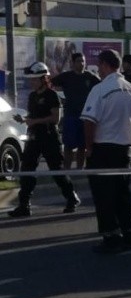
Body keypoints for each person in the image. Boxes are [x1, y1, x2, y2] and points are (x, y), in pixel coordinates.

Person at [81, 50, 131, 254]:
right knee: (123, 193)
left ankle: (111, 236)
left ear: (104, 65)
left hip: (103, 149)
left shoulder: (100, 89)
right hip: (125, 149)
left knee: (104, 196)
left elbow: (89, 121)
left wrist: (89, 147)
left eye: (99, 66)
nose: (98, 70)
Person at [8, 62, 81, 217]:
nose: (31, 82)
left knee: (57, 170)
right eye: (31, 80)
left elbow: (56, 118)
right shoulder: (33, 96)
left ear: (44, 79)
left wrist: (35, 121)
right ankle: (24, 205)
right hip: (34, 137)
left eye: (34, 79)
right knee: (27, 169)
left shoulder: (52, 95)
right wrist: (24, 119)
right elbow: (32, 115)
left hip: (49, 137)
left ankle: (71, 198)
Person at [51, 52, 100, 169]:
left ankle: (79, 169)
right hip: (70, 116)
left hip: (85, 117)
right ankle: (66, 170)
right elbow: (49, 84)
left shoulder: (90, 77)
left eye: (83, 61)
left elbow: (101, 88)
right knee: (68, 146)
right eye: (78, 61)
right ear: (72, 63)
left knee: (82, 146)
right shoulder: (66, 76)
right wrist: (59, 99)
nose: (81, 63)